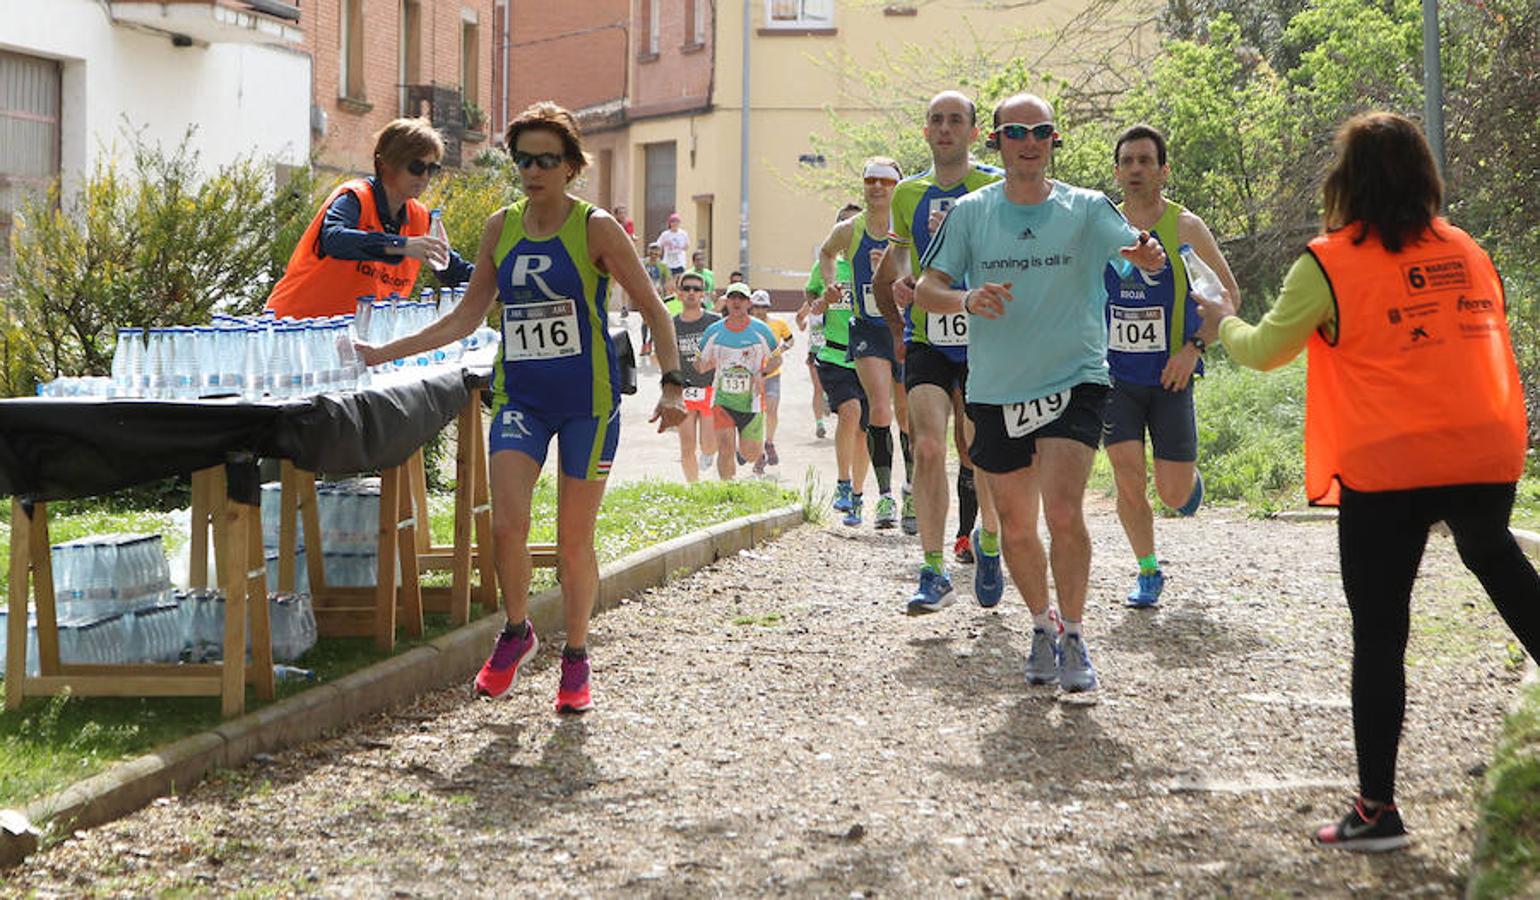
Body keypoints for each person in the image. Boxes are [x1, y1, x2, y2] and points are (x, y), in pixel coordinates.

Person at [1196, 111, 1536, 852]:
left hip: (1391, 463)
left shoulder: (1328, 261)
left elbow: (1262, 353)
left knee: (1381, 632)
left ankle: (1378, 812)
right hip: (1486, 446)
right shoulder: (1469, 250)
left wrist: (1222, 319)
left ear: (1343, 181)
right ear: (1426, 177)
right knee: (1502, 567)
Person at [356, 101, 688, 713]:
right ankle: (517, 630)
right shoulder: (499, 228)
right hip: (522, 398)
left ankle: (578, 656)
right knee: (505, 525)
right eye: (523, 159)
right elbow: (464, 317)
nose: (533, 171)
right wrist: (387, 352)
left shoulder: (595, 229)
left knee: (572, 542)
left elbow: (654, 308)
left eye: (547, 160)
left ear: (570, 166)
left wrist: (673, 385)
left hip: (587, 403)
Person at [914, 92, 1166, 691]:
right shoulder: (971, 213)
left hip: (1075, 378)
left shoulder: (1085, 208)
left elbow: (1138, 254)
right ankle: (1040, 624)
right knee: (1018, 526)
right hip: (997, 387)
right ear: (997, 140)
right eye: (1017, 130)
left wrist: (1147, 254)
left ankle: (1075, 634)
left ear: (1055, 141)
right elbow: (926, 287)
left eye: (1041, 130)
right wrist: (966, 299)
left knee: (1061, 511)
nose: (1029, 140)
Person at [870, 90, 1005, 609]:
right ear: (925, 131)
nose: (944, 128)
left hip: (984, 338)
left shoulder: (994, 185)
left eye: (955, 121)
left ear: (973, 133)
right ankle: (933, 570)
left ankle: (989, 540)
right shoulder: (908, 194)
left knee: (982, 452)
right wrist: (902, 288)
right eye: (936, 121)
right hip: (929, 336)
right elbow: (901, 260)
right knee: (927, 447)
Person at [1102, 124, 1238, 607]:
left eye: (1145, 161)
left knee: (1174, 494)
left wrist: (1194, 348)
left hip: (1171, 374)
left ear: (1163, 170)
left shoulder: (1185, 227)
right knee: (1125, 471)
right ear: (1117, 172)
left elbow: (1228, 297)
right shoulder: (1104, 226)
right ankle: (1147, 570)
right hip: (1116, 377)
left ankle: (1188, 487)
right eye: (1128, 162)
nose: (1136, 169)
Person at [267, 117, 472, 319]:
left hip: (356, 337)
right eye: (416, 167)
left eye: (432, 169)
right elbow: (334, 239)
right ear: (385, 165)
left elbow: (453, 270)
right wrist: (401, 245)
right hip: (296, 329)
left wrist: (499, 281)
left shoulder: (421, 218)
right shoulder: (355, 198)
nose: (425, 177)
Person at [818, 158, 909, 529]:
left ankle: (912, 492)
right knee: (879, 409)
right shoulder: (850, 229)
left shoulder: (908, 227)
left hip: (905, 328)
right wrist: (829, 283)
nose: (876, 187)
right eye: (870, 179)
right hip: (869, 328)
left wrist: (898, 273)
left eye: (885, 182)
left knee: (908, 416)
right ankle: (884, 496)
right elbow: (826, 253)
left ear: (897, 187)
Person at [808, 204, 871, 520]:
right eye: (842, 223)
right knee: (850, 411)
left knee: (864, 432)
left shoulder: (872, 264)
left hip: (870, 357)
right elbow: (813, 309)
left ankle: (857, 496)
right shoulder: (824, 269)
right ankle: (843, 483)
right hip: (835, 354)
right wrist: (824, 301)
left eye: (853, 223)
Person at [695, 283, 782, 480]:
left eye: (741, 298)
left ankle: (741, 445)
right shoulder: (713, 331)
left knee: (750, 454)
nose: (736, 302)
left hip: (751, 401)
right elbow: (697, 362)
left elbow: (777, 358)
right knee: (725, 447)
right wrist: (704, 366)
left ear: (749, 303)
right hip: (722, 399)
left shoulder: (762, 331)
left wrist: (762, 372)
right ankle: (728, 491)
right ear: (726, 301)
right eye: (732, 297)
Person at [672, 270, 722, 482]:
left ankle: (709, 454)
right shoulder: (671, 323)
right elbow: (660, 356)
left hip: (711, 389)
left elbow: (727, 351)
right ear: (679, 294)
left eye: (697, 289)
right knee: (686, 447)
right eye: (687, 288)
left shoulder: (715, 321)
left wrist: (710, 363)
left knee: (709, 445)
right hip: (684, 391)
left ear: (704, 294)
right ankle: (694, 488)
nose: (691, 292)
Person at [749, 289, 794, 474]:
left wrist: (780, 351)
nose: (760, 310)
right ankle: (758, 453)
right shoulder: (746, 324)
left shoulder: (778, 323)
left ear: (768, 307)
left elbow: (790, 340)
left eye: (763, 306)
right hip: (752, 376)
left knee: (772, 410)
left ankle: (769, 442)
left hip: (773, 374)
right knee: (756, 414)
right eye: (757, 306)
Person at [795, 293, 830, 439]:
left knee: (831, 386)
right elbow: (799, 316)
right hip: (815, 350)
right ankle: (819, 423)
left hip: (833, 349)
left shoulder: (835, 302)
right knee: (818, 388)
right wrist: (801, 325)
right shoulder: (809, 303)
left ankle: (827, 398)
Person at [637, 242, 669, 355]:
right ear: (648, 252)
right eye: (652, 253)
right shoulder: (642, 263)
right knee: (645, 320)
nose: (654, 255)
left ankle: (650, 343)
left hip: (658, 297)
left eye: (656, 253)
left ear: (660, 253)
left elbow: (666, 282)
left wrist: (665, 296)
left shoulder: (663, 266)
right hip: (645, 295)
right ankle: (644, 344)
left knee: (655, 322)